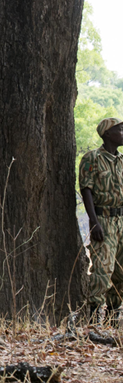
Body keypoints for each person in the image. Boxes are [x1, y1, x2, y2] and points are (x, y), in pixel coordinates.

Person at [81, 116, 123, 325]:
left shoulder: (121, 160)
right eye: (120, 129)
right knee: (102, 271)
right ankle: (93, 320)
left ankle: (113, 320)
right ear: (107, 133)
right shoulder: (93, 158)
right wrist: (94, 221)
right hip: (103, 219)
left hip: (121, 220)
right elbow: (86, 189)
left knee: (120, 272)